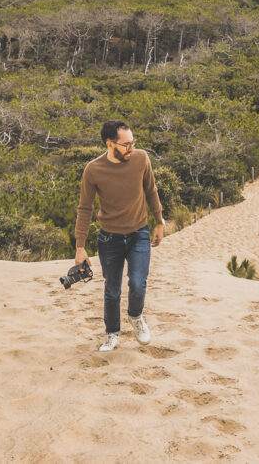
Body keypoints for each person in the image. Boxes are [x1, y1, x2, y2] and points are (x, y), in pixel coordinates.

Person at [74, 120, 165, 352]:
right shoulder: (93, 170)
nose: (131, 149)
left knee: (137, 283)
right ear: (109, 144)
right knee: (112, 290)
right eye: (126, 145)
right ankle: (112, 334)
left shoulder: (141, 159)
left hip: (139, 234)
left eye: (133, 143)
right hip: (109, 239)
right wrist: (80, 247)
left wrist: (159, 221)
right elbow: (85, 209)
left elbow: (151, 190)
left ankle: (135, 317)